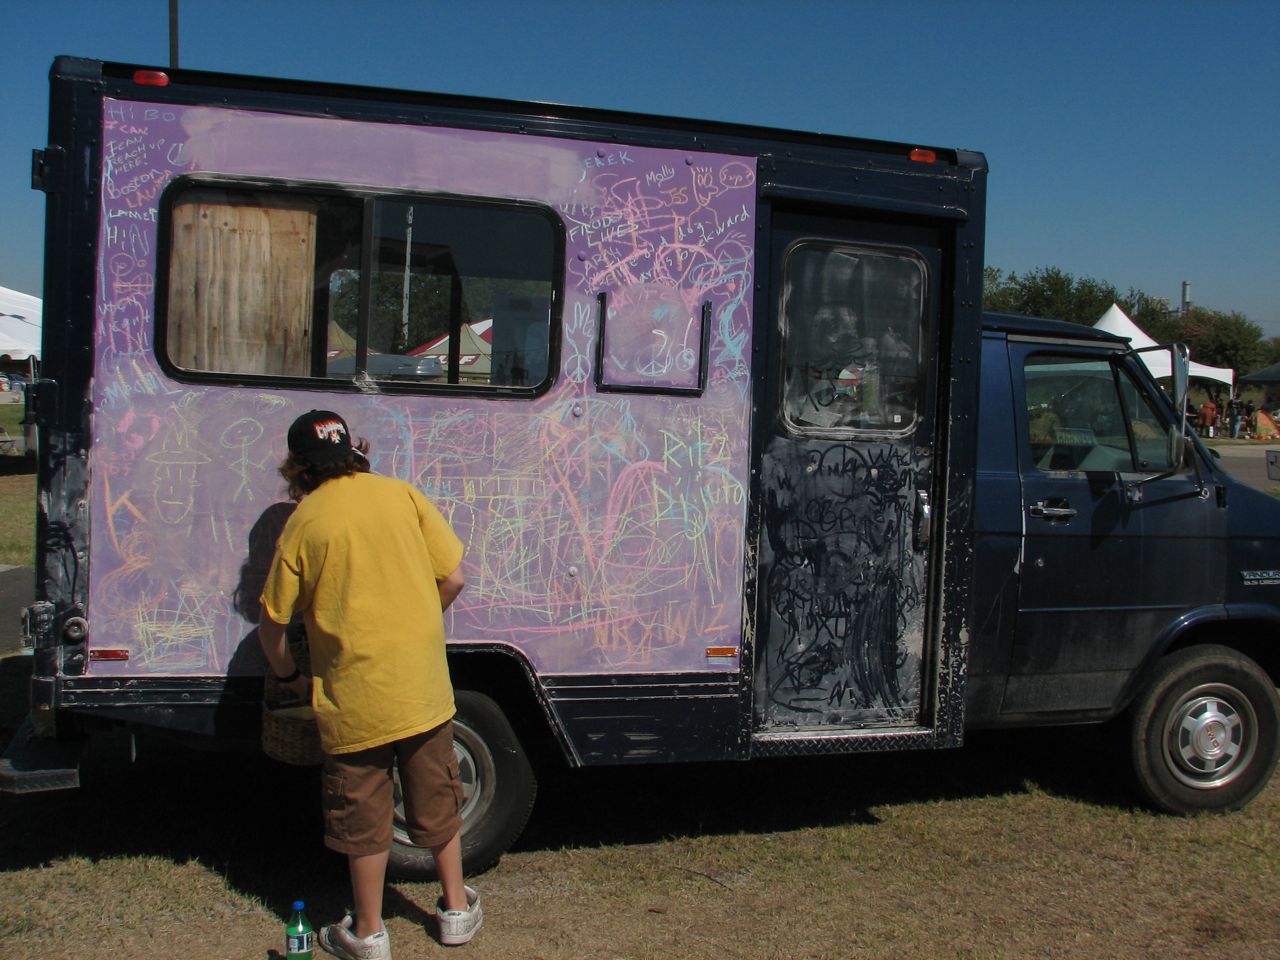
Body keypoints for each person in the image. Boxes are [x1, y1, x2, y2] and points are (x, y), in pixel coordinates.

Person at [259, 410, 481, 958]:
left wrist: (290, 675)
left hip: (353, 698)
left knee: (363, 817)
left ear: (299, 469)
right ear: (353, 451)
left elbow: (272, 624)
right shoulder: (400, 494)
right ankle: (455, 910)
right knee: (438, 799)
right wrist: (416, 623)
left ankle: (368, 932)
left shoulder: (305, 522)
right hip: (420, 688)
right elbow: (453, 577)